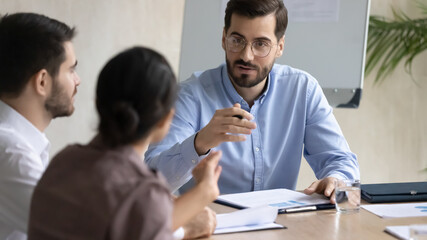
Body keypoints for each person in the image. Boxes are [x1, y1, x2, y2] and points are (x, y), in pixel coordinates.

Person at [145, 0, 360, 202]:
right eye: (237, 41)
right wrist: (199, 143)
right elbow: (151, 181)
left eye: (260, 44)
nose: (247, 55)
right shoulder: (190, 95)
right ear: (223, 38)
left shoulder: (303, 90)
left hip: (278, 226)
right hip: (209, 226)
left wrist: (336, 179)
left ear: (280, 46)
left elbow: (341, 162)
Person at [28, 47, 222, 240]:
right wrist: (203, 193)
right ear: (165, 120)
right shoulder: (141, 193)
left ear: (97, 103)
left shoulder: (62, 161)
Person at [0, 13, 80, 240]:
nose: (77, 81)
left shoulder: (17, 144)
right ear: (42, 81)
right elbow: (83, 228)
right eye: (71, 70)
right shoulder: (10, 151)